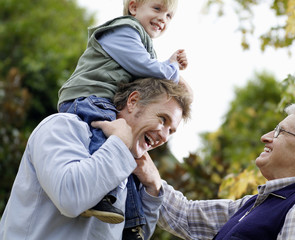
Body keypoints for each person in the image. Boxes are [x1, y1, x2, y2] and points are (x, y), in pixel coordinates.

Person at [0, 78, 192, 240]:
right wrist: (119, 143)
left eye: (171, 131)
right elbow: (70, 197)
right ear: (133, 101)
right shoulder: (63, 127)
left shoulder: (130, 170)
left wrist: (152, 189)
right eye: (162, 119)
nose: (165, 137)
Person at [57, 0, 188, 233]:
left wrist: (172, 72)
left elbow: (151, 81)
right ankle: (101, 194)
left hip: (103, 99)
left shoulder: (142, 42)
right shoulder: (124, 30)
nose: (163, 18)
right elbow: (146, 68)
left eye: (169, 16)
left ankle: (132, 225)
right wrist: (171, 68)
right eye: (157, 9)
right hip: (90, 95)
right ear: (134, 7)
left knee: (126, 156)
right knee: (109, 137)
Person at [151, 102, 295, 240]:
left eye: (279, 132)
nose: (265, 137)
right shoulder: (256, 203)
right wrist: (144, 169)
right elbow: (186, 215)